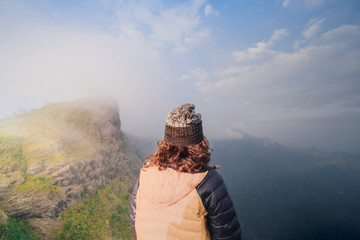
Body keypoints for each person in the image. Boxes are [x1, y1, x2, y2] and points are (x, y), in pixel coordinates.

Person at [129, 103, 241, 239]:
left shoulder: (146, 172)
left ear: (166, 141)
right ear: (200, 142)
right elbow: (227, 235)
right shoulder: (208, 182)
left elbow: (135, 219)